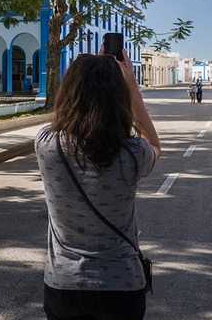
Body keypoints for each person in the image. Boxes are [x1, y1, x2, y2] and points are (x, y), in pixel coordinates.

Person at [35, 50, 161, 320]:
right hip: (122, 288)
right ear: (119, 99)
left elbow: (60, 118)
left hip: (64, 287)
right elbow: (155, 145)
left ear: (68, 94)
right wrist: (133, 92)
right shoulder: (133, 153)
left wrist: (87, 73)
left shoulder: (48, 145)